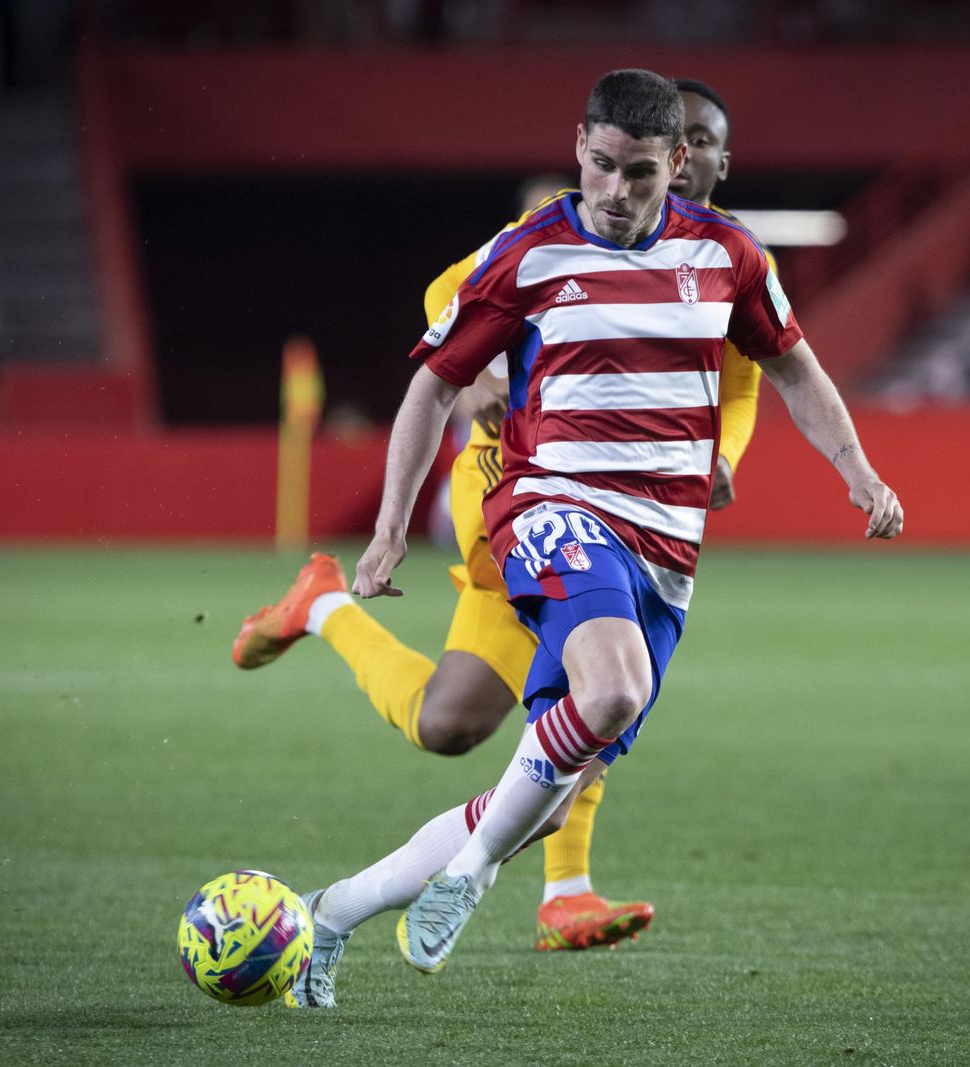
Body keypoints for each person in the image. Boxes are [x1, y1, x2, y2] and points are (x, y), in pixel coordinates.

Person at [284, 68, 901, 1008]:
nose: (616, 192)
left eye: (641, 174)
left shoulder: (730, 256)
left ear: (680, 164)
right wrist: (385, 532)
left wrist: (856, 469)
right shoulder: (526, 253)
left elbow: (795, 374)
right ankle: (484, 875)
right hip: (550, 507)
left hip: (665, 550)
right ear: (579, 145)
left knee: (542, 787)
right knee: (611, 689)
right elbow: (430, 384)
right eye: (603, 166)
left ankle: (329, 913)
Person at [232, 78, 759, 954]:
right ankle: (563, 888)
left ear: (707, 161)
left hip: (629, 516)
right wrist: (483, 376)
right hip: (526, 502)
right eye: (687, 138)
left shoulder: (723, 256)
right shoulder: (554, 235)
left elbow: (744, 376)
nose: (694, 157)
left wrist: (725, 453)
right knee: (596, 686)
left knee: (454, 725)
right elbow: (454, 309)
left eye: (706, 144)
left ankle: (320, 607)